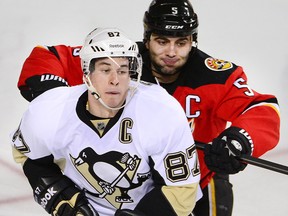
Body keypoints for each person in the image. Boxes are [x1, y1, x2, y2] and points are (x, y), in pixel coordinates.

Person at [16, 0, 280, 215]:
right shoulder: (119, 62)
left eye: (182, 42)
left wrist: (239, 141)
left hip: (191, 183)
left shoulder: (214, 76)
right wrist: (49, 98)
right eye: (162, 41)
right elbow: (49, 56)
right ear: (147, 38)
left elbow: (261, 108)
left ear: (193, 41)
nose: (172, 52)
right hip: (125, 185)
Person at [11, 27, 201, 216]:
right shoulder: (51, 109)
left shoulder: (162, 110)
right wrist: (60, 197)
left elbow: (182, 190)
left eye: (123, 71)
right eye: (105, 70)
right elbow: (26, 153)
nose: (115, 80)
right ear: (87, 73)